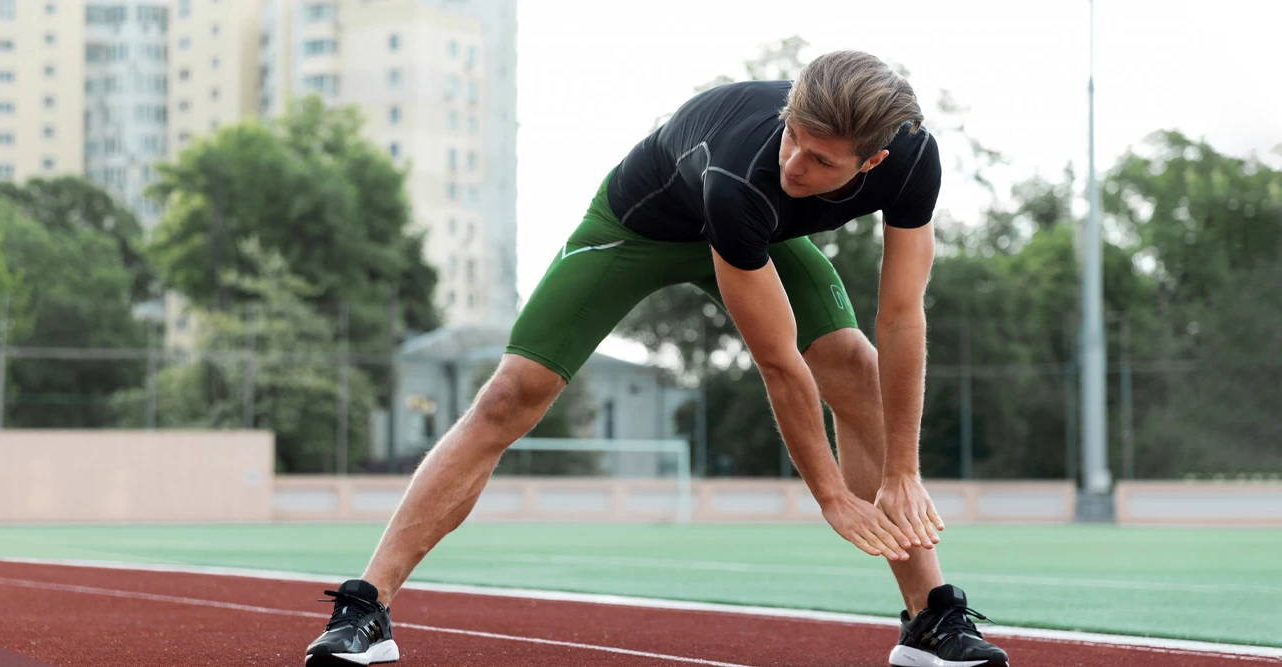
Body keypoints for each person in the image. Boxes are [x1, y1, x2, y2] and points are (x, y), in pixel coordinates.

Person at [304, 50, 1010, 667]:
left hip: (759, 235)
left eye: (821, 160)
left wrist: (904, 471)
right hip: (639, 228)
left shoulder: (912, 159)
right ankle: (368, 606)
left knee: (853, 363)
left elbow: (902, 315)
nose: (795, 162)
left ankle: (929, 619)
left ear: (873, 160)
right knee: (509, 394)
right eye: (793, 135)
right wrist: (829, 495)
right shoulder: (744, 173)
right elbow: (778, 364)